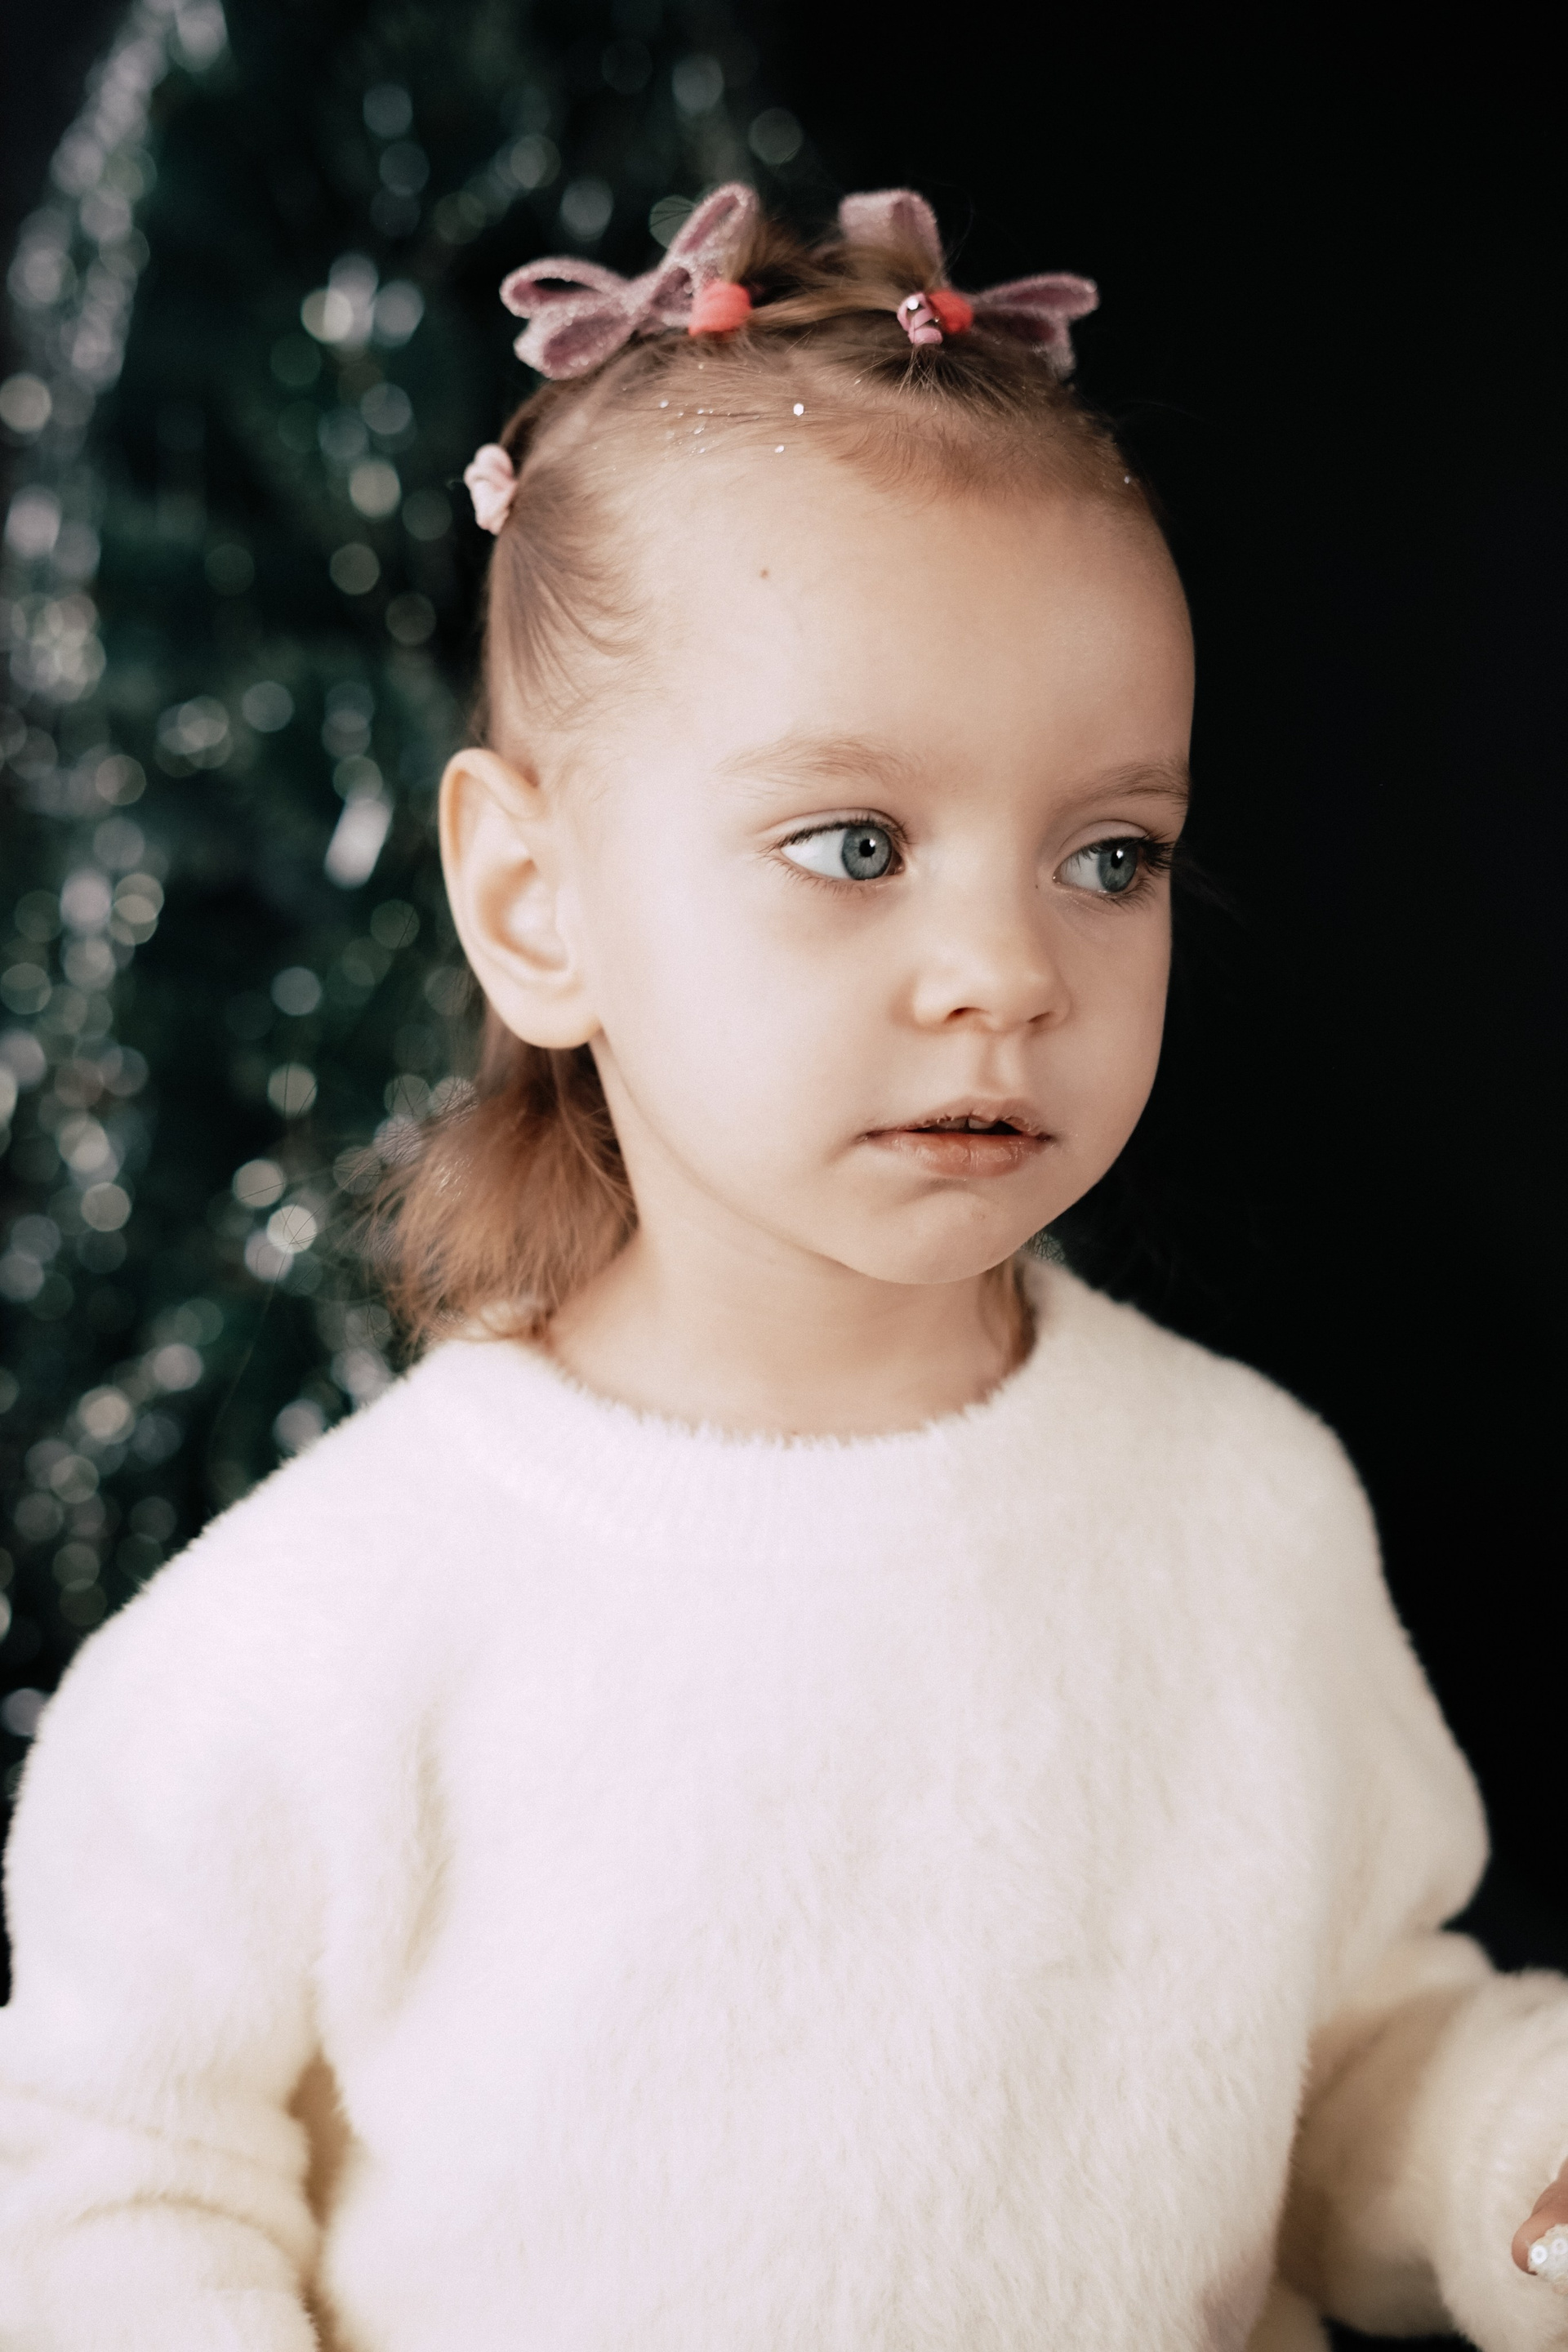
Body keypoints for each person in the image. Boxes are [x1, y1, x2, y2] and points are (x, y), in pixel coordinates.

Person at [0, 181, 1564, 2352]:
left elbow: (1343, 2055)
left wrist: (1516, 2167)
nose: (1008, 970)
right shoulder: (320, 1635)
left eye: (1110, 855)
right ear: (535, 903)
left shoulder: (1240, 1508)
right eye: (853, 844)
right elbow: (109, 2190)